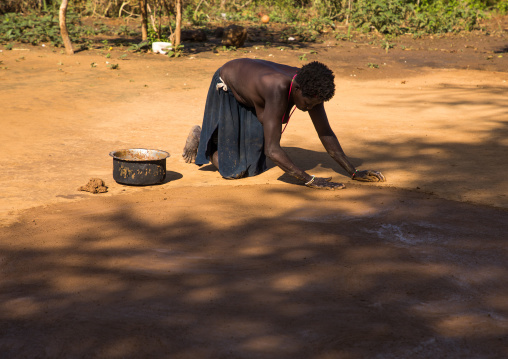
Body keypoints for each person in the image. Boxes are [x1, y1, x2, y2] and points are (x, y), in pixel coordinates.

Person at [182, 58, 385, 189]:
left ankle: (215, 138)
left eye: (315, 104)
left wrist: (353, 171)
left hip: (254, 92)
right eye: (307, 103)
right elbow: (272, 150)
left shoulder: (311, 87)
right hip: (228, 84)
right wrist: (310, 180)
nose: (309, 108)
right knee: (235, 171)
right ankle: (205, 142)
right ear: (296, 89)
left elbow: (325, 132)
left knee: (254, 166)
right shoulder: (277, 88)